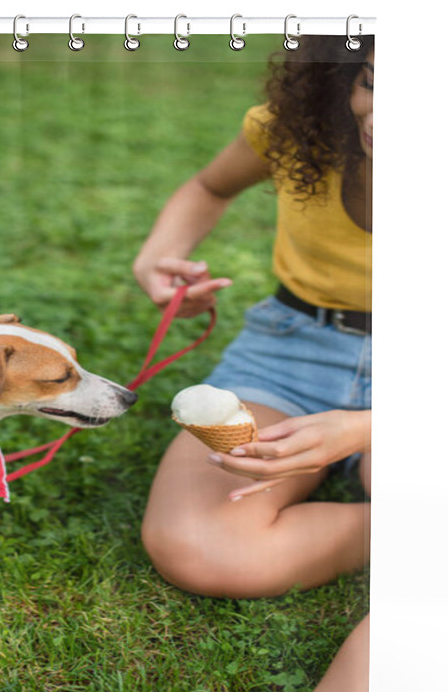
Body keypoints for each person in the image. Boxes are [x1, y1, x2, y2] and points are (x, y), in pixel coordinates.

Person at [133, 35, 374, 603]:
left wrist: (368, 429)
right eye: (371, 84)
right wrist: (156, 258)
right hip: (291, 351)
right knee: (196, 545)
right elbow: (208, 187)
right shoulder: (300, 127)